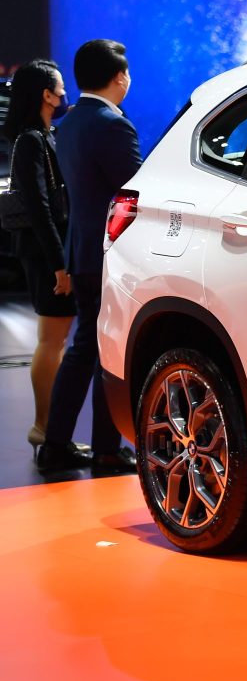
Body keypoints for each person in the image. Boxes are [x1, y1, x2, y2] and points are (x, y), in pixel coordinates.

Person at [36, 40, 142, 475]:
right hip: (110, 255)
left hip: (81, 249)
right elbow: (135, 190)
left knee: (85, 348)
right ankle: (104, 449)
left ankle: (56, 443)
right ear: (120, 77)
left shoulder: (72, 122)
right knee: (106, 349)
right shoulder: (112, 125)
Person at [1, 60, 77, 457]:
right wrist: (59, 265)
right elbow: (40, 208)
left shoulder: (45, 135)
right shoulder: (32, 140)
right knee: (51, 340)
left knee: (55, 339)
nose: (66, 93)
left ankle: (47, 427)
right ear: (46, 94)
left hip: (50, 251)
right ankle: (43, 427)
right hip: (46, 254)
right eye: (60, 87)